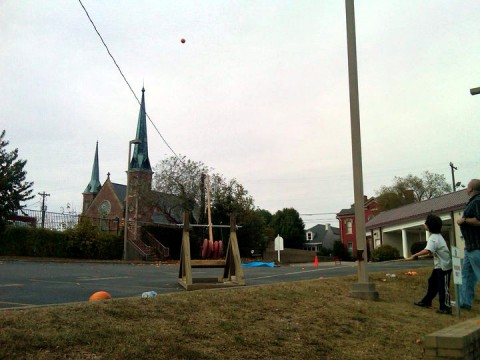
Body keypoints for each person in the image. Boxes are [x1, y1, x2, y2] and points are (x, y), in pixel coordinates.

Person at [408, 214, 452, 314]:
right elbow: (432, 251)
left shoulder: (434, 238)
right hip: (439, 266)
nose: (424, 224)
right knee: (432, 282)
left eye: (426, 223)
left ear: (429, 226)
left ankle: (446, 307)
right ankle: (427, 302)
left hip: (444, 267)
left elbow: (427, 250)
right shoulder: (437, 236)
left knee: (443, 287)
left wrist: (414, 255)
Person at [457, 179, 480, 311]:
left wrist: (463, 220)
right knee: (466, 275)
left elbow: (478, 221)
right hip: (469, 247)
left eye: (467, 187)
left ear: (470, 189)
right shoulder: (473, 201)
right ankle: (465, 302)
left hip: (477, 247)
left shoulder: (477, 201)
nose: (466, 189)